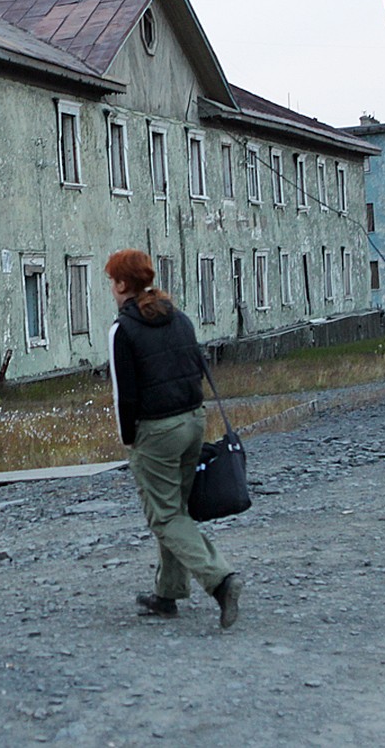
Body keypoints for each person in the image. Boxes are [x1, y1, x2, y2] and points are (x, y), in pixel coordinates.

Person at [104, 249, 242, 629]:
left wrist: (128, 438)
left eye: (111, 282)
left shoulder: (122, 329)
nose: (111, 289)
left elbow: (124, 395)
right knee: (176, 508)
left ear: (120, 284)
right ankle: (167, 594)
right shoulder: (178, 318)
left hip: (157, 430)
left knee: (164, 516)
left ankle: (221, 579)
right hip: (194, 421)